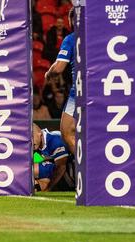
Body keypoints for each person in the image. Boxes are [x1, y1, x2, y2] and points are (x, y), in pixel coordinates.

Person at [45, 8, 76, 154]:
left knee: (66, 132)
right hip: (102, 89)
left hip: (79, 92)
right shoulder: (99, 38)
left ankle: (88, 170)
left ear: (72, 21)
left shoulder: (71, 38)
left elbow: (58, 68)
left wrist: (48, 73)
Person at [32, 123, 74, 192]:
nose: (31, 141)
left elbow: (61, 167)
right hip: (59, 174)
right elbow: (40, 160)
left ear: (39, 133)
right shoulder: (37, 146)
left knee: (32, 169)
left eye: (32, 137)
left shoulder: (55, 140)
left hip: (69, 172)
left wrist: (49, 188)